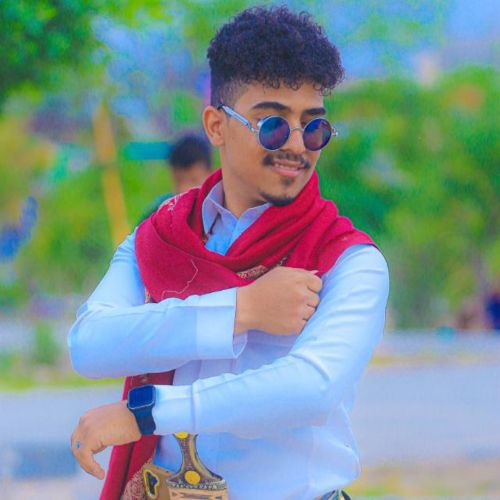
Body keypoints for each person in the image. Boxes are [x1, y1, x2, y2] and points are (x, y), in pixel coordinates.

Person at [68, 6, 389, 500]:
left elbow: (312, 388)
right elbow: (90, 344)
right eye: (273, 125)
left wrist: (148, 412)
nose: (297, 146)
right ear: (216, 126)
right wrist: (241, 310)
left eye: (314, 127)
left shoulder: (348, 260)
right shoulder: (161, 239)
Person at [138, 133, 212, 222]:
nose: (185, 189)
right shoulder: (158, 214)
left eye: (193, 180)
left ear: (210, 174)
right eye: (179, 180)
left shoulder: (220, 211)